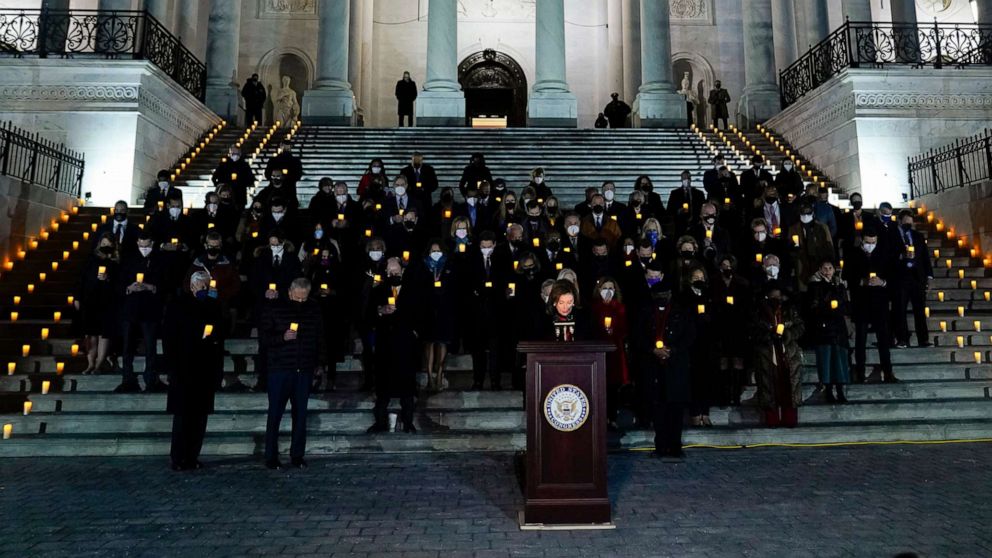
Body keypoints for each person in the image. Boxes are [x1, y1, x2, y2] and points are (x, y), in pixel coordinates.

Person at [261, 278, 324, 470]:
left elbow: (319, 337)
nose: (301, 302)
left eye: (304, 298)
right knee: (275, 415)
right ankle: (271, 456)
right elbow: (264, 338)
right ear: (290, 292)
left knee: (301, 415)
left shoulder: (313, 309)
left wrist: (319, 363)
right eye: (297, 298)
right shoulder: (275, 308)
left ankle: (297, 455)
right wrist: (282, 337)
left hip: (303, 369)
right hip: (280, 369)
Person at [166, 271, 223, 471]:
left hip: (205, 368)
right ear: (192, 286)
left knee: (200, 418)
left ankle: (192, 456)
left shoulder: (213, 305)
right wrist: (172, 366)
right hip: (183, 368)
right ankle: (178, 457)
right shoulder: (178, 305)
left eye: (207, 286)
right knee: (183, 416)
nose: (204, 289)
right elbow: (170, 338)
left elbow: (221, 331)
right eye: (201, 286)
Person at [367, 258, 420, 433]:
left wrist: (415, 331)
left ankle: (408, 422)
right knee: (383, 385)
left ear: (402, 271)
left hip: (406, 343)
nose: (393, 274)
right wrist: (380, 311)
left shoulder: (412, 290)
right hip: (385, 343)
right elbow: (367, 313)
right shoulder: (378, 291)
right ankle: (380, 422)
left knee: (407, 386)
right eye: (390, 272)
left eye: (396, 271)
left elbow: (422, 312)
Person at [117, 234, 167, 393]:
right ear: (137, 243)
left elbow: (164, 282)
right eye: (141, 245)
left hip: (150, 308)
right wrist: (129, 288)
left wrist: (150, 287)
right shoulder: (129, 259)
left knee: (150, 345)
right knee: (127, 346)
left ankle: (151, 378)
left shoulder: (159, 259)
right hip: (130, 308)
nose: (144, 249)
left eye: (147, 246)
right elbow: (119, 281)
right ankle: (127, 378)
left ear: (152, 243)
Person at [846, 229, 897, 384]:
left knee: (883, 340)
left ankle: (887, 372)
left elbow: (893, 275)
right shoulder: (853, 254)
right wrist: (862, 282)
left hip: (879, 302)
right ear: (862, 241)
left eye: (873, 242)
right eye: (868, 242)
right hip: (861, 302)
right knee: (860, 340)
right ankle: (859, 372)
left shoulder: (883, 253)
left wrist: (882, 282)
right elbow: (847, 276)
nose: (871, 245)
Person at [753, 283, 804, 427]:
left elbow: (799, 326)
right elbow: (754, 329)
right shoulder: (759, 311)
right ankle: (772, 418)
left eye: (778, 295)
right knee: (769, 384)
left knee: (789, 384)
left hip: (787, 352)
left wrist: (787, 334)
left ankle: (790, 418)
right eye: (773, 295)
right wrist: (769, 335)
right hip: (768, 352)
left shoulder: (789, 310)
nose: (776, 298)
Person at [805, 259, 851, 403]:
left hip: (838, 329)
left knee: (839, 361)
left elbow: (846, 305)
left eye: (830, 268)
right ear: (820, 270)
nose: (827, 271)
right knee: (826, 361)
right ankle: (829, 390)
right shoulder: (815, 286)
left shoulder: (839, 285)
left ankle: (840, 390)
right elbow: (813, 306)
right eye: (824, 268)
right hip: (824, 329)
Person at [75, 233, 120, 374]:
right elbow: (81, 279)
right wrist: (77, 297)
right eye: (104, 244)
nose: (106, 247)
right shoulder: (91, 259)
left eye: (109, 245)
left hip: (107, 301)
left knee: (103, 334)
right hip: (90, 300)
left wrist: (108, 278)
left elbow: (120, 283)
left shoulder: (116, 262)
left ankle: (99, 363)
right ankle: (90, 363)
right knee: (90, 333)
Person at [709, 255, 751, 405]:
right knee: (723, 361)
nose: (727, 268)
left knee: (738, 361)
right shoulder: (713, 282)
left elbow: (747, 306)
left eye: (729, 265)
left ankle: (736, 393)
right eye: (724, 265)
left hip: (738, 327)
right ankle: (724, 394)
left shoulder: (742, 283)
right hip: (720, 327)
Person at [416, 241, 457, 391]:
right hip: (427, 309)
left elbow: (454, 285)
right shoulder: (423, 266)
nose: (436, 253)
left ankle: (440, 374)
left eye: (438, 250)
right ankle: (429, 376)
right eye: (433, 250)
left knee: (442, 342)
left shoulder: (449, 266)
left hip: (444, 308)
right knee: (429, 342)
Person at [590, 277, 629, 428]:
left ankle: (612, 417)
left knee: (613, 385)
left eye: (611, 288)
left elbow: (624, 328)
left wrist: (615, 331)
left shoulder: (619, 307)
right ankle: (601, 417)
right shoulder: (594, 307)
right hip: (598, 349)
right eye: (604, 288)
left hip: (615, 350)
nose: (608, 291)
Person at [891, 210, 933, 348]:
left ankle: (923, 339)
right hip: (900, 277)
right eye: (906, 222)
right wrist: (901, 256)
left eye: (910, 222)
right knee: (900, 310)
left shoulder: (918, 236)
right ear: (899, 221)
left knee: (920, 310)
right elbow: (888, 256)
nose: (908, 224)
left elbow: (925, 258)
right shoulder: (891, 235)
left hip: (917, 278)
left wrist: (929, 277)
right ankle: (902, 339)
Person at [212, 146, 255, 211]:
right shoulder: (224, 165)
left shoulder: (244, 165)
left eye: (236, 153)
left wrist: (241, 183)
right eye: (232, 153)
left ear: (240, 154)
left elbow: (251, 179)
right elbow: (215, 177)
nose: (234, 155)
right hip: (225, 195)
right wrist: (220, 185)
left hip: (239, 195)